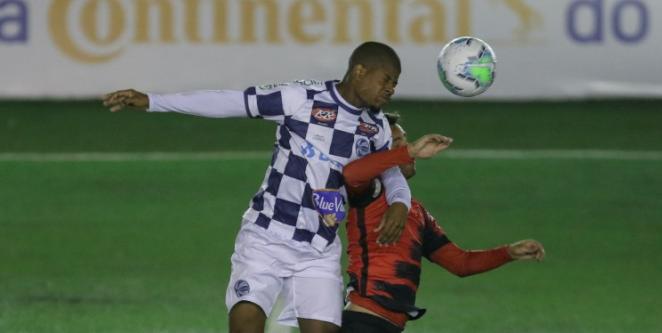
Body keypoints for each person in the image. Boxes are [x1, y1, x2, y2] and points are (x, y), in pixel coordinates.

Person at [102, 42, 443, 333]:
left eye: (395, 84)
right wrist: (154, 101)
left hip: (318, 249)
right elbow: (231, 102)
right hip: (267, 235)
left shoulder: (377, 127)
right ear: (359, 71)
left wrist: (400, 201)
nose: (390, 90)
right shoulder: (301, 98)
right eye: (386, 80)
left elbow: (392, 173)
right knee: (246, 322)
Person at [341, 113, 546, 333]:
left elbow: (460, 263)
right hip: (363, 320)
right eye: (397, 143)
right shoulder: (371, 191)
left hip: (387, 325)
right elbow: (351, 174)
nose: (409, 148)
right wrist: (405, 153)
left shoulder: (416, 212)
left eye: (406, 141)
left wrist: (508, 253)